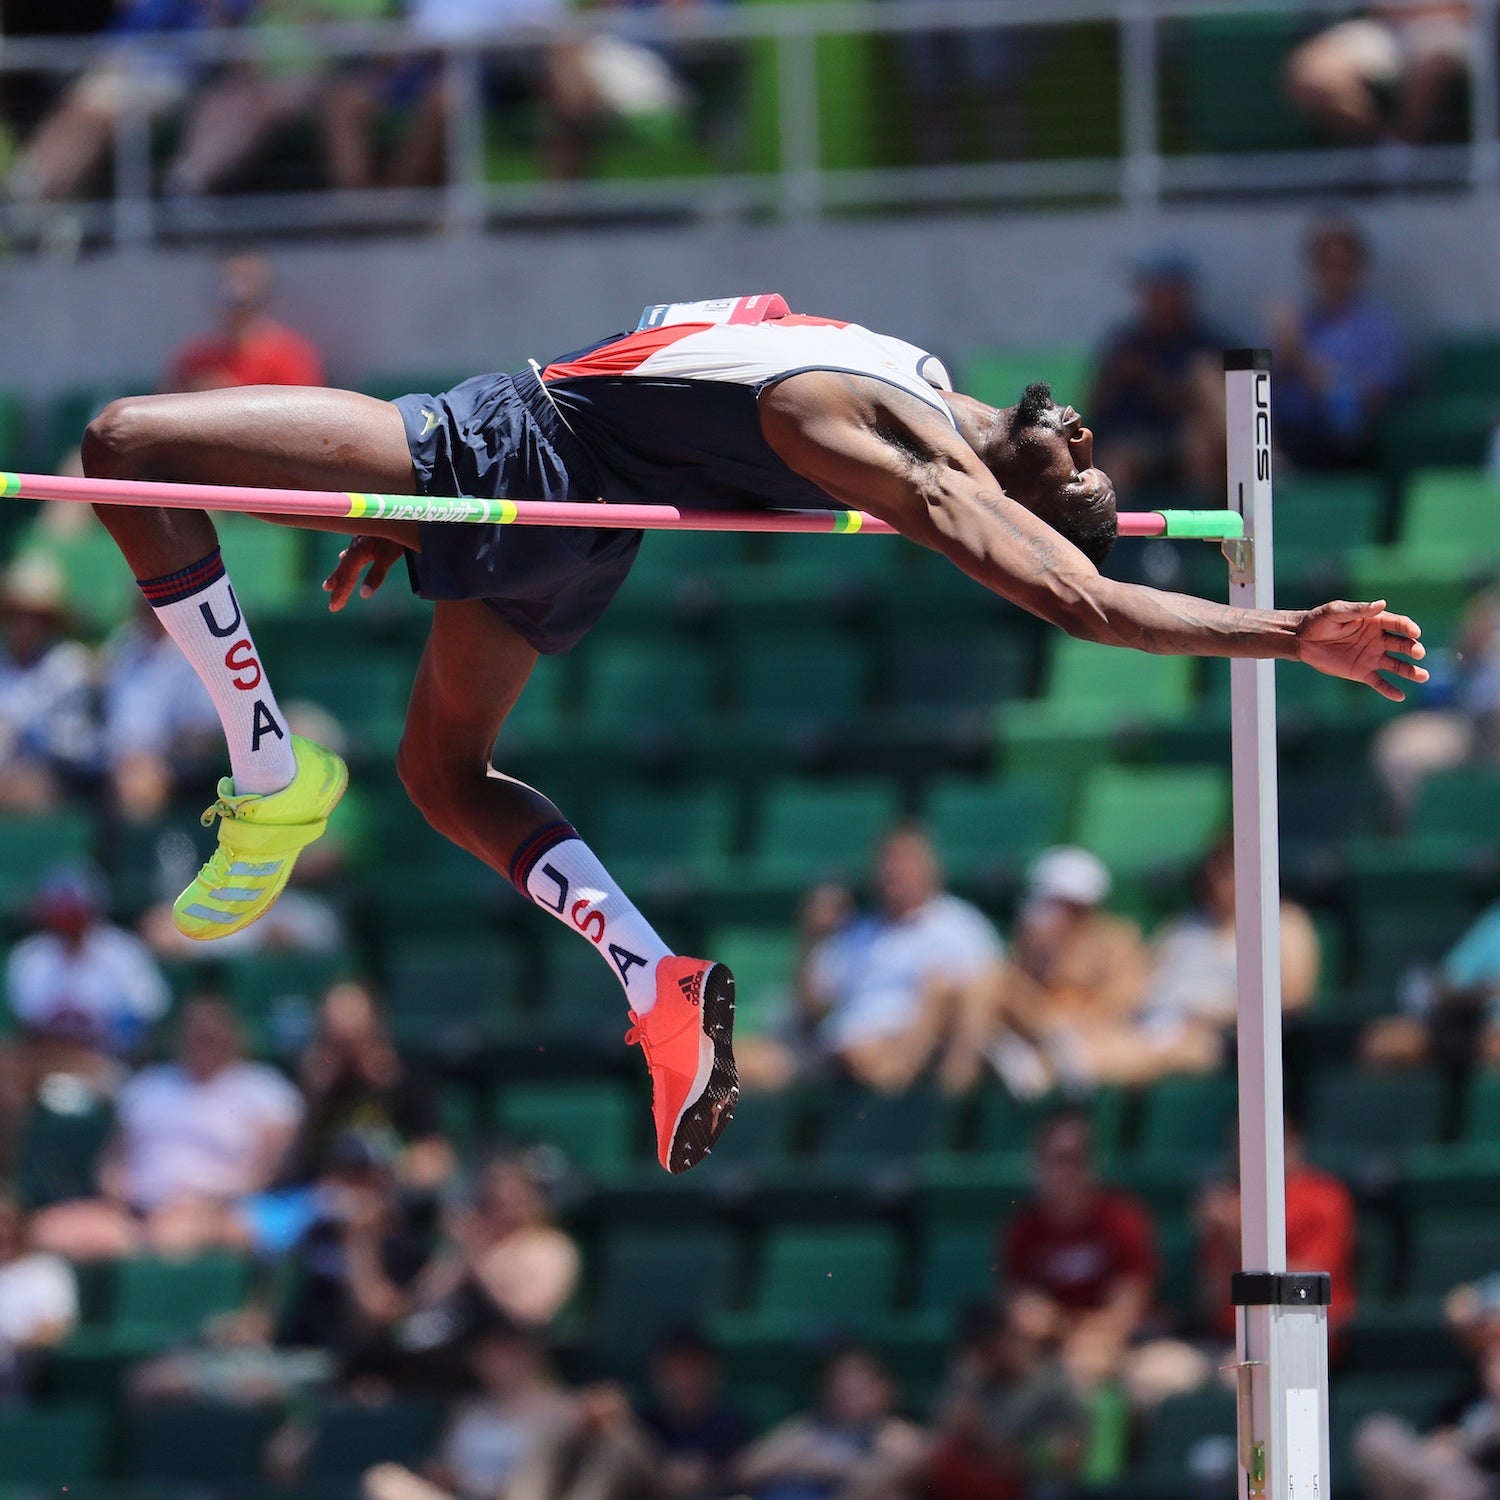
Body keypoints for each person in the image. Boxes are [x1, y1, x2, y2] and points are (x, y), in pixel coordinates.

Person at [71, 293, 1428, 1177]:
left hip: (521, 451)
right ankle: (657, 981)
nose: (1083, 439)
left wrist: (1285, 629)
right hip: (562, 515)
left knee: (126, 443)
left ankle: (266, 766)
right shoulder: (925, 375)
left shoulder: (892, 447)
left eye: (1077, 474)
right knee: (442, 774)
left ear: (1010, 497)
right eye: (1088, 451)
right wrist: (411, 513)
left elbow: (1080, 596)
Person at [29, 994, 304, 1258]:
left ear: (233, 1035)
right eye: (197, 1035)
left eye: (212, 1036)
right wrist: (118, 1191)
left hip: (215, 1212)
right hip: (134, 1212)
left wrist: (207, 1201)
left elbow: (274, 1168)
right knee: (44, 1231)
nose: (205, 1043)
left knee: (170, 1238)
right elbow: (112, 1160)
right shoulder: (149, 1085)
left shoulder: (263, 1088)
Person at [1060, 838, 1320, 1086]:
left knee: (1152, 1052)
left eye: (1228, 872)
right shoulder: (1182, 926)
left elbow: (1293, 996)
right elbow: (1142, 982)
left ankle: (1069, 1071)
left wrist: (1216, 1016)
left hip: (1220, 1035)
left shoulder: (1286, 923)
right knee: (1096, 1038)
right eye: (1213, 872)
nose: (1219, 882)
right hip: (1154, 1023)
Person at [796, 824, 1005, 1096]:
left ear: (929, 867)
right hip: (840, 1048)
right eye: (887, 860)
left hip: (910, 1048)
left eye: (904, 860)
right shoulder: (857, 931)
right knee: (741, 1062)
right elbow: (812, 1009)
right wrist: (811, 940)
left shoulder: (960, 925)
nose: (892, 870)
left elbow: (984, 996)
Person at [0, 864, 170, 1149]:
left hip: (107, 1064)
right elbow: (29, 1033)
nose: (68, 924)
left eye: (74, 914)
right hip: (43, 1064)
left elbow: (138, 1034)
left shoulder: (124, 955)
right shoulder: (31, 958)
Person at [1002, 1110, 1157, 1389]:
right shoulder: (1025, 1229)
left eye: (1072, 1160)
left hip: (1111, 1346)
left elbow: (1124, 1316)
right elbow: (1020, 1307)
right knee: (991, 1364)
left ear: (1090, 1164)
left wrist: (1060, 1323)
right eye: (1053, 1160)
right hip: (1045, 1346)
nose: (1062, 1173)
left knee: (1082, 1363)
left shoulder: (1121, 1221)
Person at [990, 847, 1150, 1096]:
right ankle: (1028, 1055)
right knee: (991, 981)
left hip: (1094, 1036)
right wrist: (1039, 954)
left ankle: (1044, 1062)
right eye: (1055, 902)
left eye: (1071, 904)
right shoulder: (1032, 942)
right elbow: (1015, 993)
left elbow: (1125, 996)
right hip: (1043, 1031)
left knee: (1120, 1051)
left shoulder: (1117, 939)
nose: (1063, 913)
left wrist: (1082, 1021)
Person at [1270, 216, 1409, 471]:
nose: (1333, 275)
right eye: (1325, 265)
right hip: (1281, 434)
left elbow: (1370, 397)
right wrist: (1280, 356)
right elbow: (1266, 391)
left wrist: (1301, 359)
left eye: (1341, 265)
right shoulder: (1297, 321)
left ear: (1357, 268)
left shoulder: (1378, 329)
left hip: (1338, 444)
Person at [1087, 253, 1228, 502]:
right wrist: (1119, 379)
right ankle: (1117, 538)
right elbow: (1095, 408)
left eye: (1165, 292)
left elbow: (1198, 406)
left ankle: (1197, 535)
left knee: (1199, 445)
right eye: (1152, 292)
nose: (1157, 300)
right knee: (1116, 461)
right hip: (1137, 438)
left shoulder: (1206, 342)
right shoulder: (1126, 343)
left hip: (1186, 435)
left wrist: (1151, 379)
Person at [289, 979, 454, 1189]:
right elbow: (291, 1161)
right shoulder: (313, 1086)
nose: (347, 1049)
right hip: (325, 1194)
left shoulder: (406, 1078)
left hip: (391, 1190)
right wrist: (316, 1095)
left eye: (355, 1038)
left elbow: (436, 1157)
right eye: (338, 1041)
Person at [924, 1303, 1090, 1500]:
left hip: (1029, 1485)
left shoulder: (1054, 1384)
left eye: (991, 1348)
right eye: (980, 1351)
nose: (987, 1357)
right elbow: (937, 1440)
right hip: (977, 1477)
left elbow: (1069, 1455)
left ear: (1010, 1336)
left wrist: (987, 1441)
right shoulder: (974, 1379)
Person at [734, 1345, 926, 1500]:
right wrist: (810, 1464)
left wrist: (833, 1467)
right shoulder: (807, 1427)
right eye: (839, 1384)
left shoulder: (897, 1434)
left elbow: (898, 1476)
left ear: (887, 1389)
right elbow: (745, 1470)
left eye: (860, 1387)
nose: (848, 1393)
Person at [102, 594, 222, 821]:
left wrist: (155, 756)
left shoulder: (195, 649)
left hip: (170, 762)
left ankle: (140, 851)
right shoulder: (123, 644)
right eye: (144, 602)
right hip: (115, 760)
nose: (149, 610)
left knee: (138, 784)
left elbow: (203, 732)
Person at [1285, 4, 1471, 147]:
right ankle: (1383, 153)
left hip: (1453, 26)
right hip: (1383, 28)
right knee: (1314, 74)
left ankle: (1406, 152)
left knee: (1434, 58)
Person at [0, 552, 99, 811]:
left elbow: (72, 747)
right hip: (10, 774)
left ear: (50, 622)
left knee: (28, 788)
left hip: (64, 778)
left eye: (36, 616)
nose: (25, 624)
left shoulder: (68, 665)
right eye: (16, 614)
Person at [165, 251, 327, 394]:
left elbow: (302, 419)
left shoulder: (292, 356)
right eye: (223, 281)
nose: (234, 290)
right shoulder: (194, 357)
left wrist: (231, 397)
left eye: (246, 280)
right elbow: (166, 410)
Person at [636, 1328, 752, 1500]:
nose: (684, 1380)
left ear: (712, 1372)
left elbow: (741, 1475)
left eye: (691, 1369)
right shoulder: (643, 1423)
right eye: (675, 1369)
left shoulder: (730, 1424)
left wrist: (711, 1473)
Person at [0, 1192, 78, 1405]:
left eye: (7, 1222)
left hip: (21, 1369)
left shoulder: (46, 1270)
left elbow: (53, 1329)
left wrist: (12, 1348)